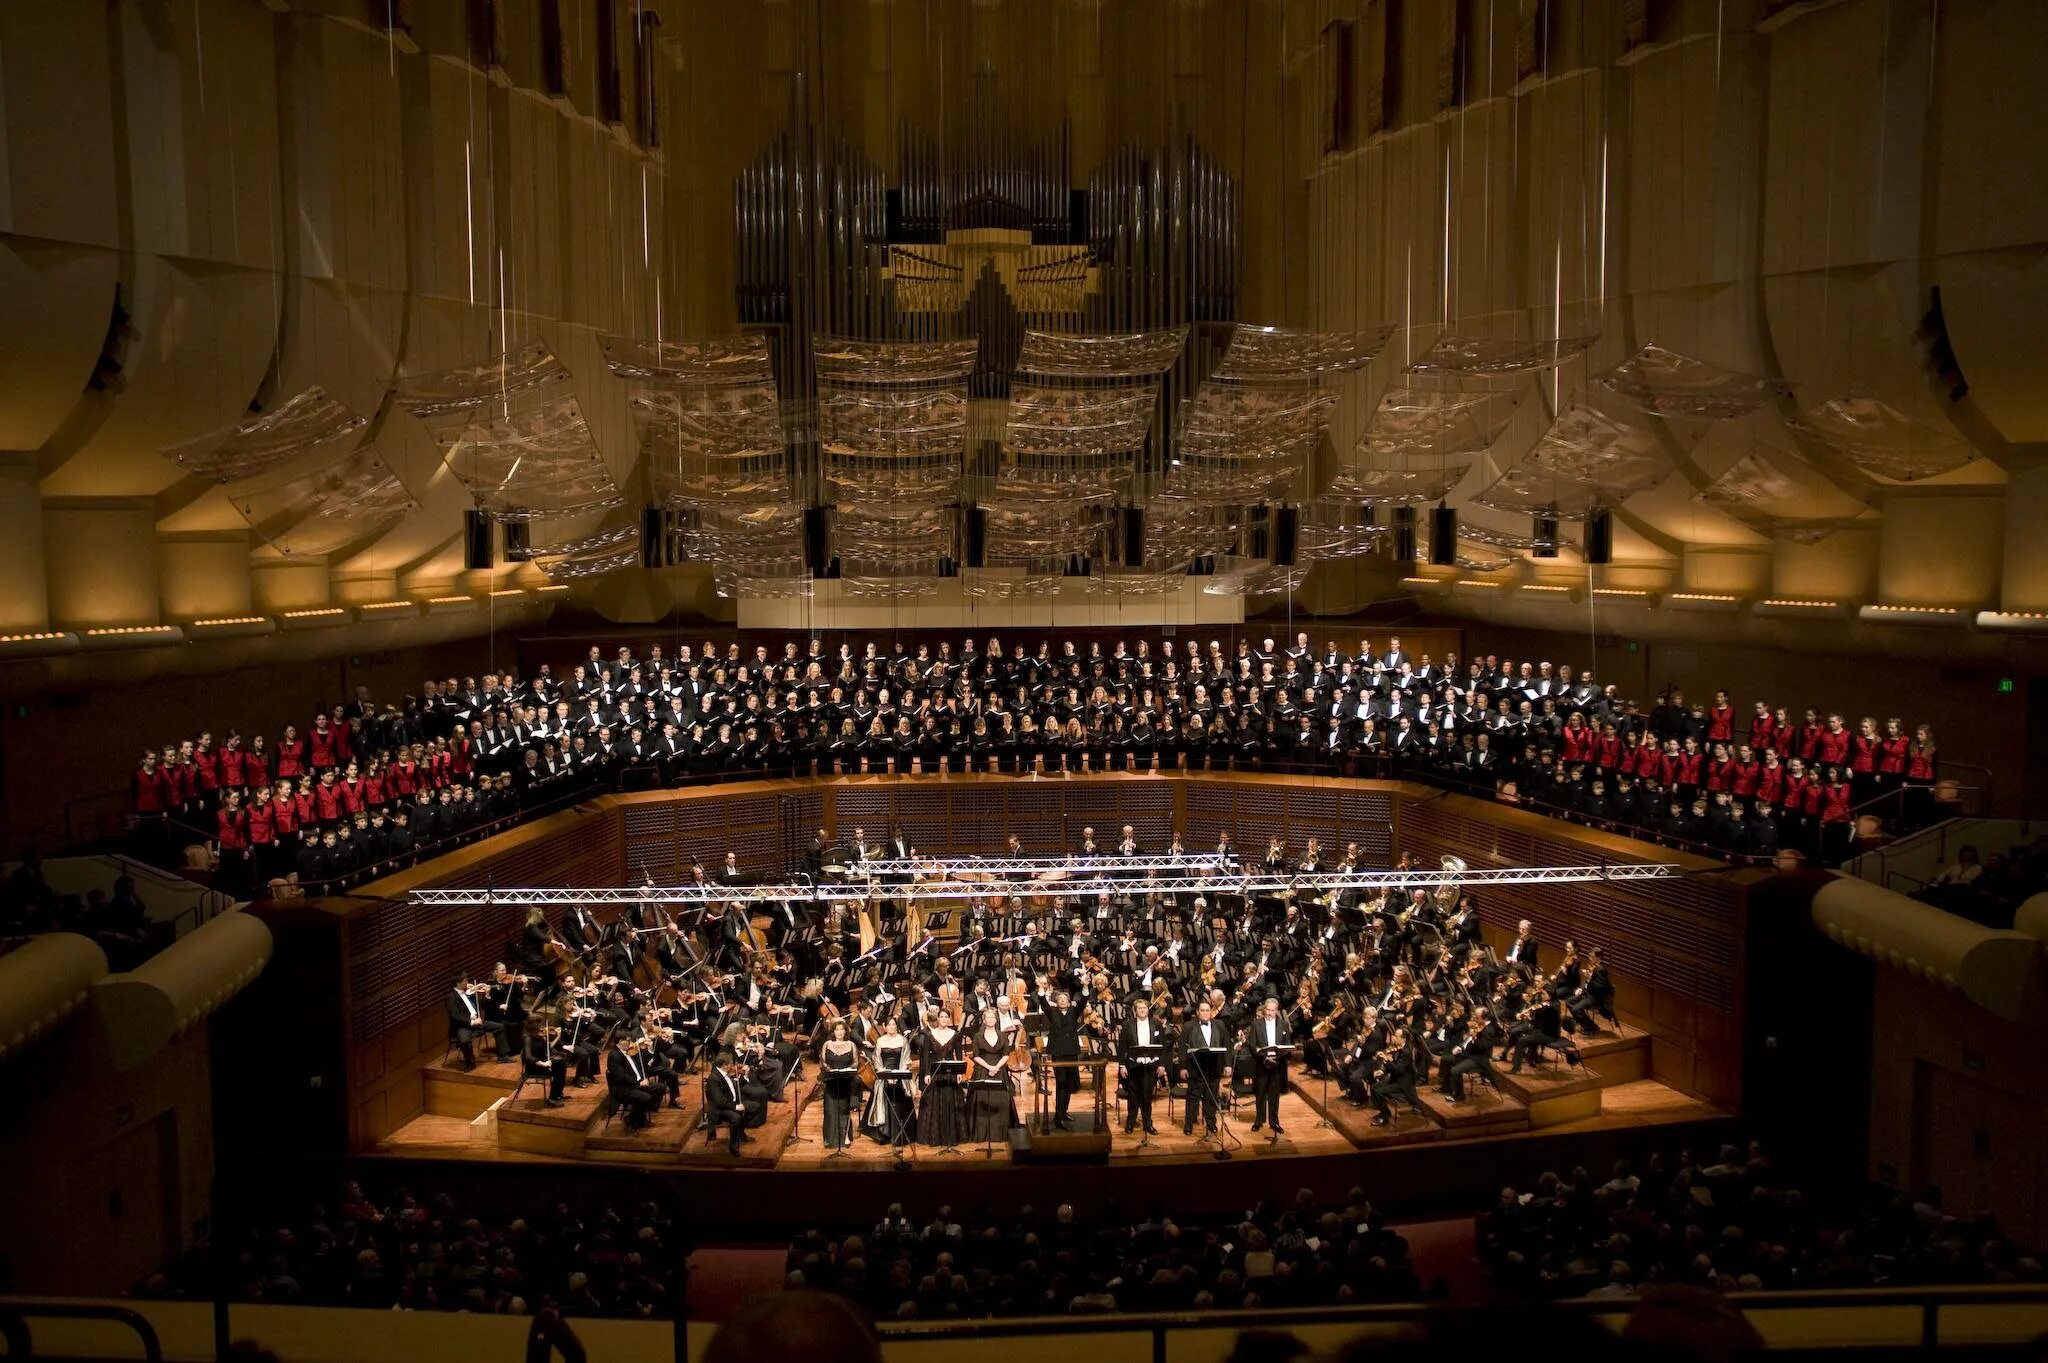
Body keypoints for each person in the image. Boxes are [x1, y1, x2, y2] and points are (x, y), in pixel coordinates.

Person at [917, 1008, 968, 1147]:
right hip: (935, 1073)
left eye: (946, 1017)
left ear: (949, 1019)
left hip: (951, 1073)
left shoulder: (955, 1034)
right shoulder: (929, 1034)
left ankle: (951, 1136)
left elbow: (959, 1054)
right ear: (938, 1019)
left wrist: (959, 1073)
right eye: (942, 1017)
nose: (944, 1019)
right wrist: (927, 1073)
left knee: (951, 1101)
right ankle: (936, 1137)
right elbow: (926, 1055)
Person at [1180, 998, 1230, 1136]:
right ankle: (1189, 1123)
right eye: (1202, 1010)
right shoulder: (1188, 1026)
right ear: (1197, 1012)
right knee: (1193, 1097)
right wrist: (1182, 1067)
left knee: (1211, 1097)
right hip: (1195, 1067)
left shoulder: (1220, 1024)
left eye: (1207, 1010)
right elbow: (1182, 1048)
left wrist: (1228, 1064)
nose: (1205, 1013)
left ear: (1211, 1012)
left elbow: (1227, 1045)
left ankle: (1211, 1123)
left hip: (1214, 1068)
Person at [1117, 995, 1165, 1135]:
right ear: (1135, 1011)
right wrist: (1122, 1065)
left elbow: (1163, 1046)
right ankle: (1130, 1123)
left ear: (1148, 1009)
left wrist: (1161, 1065)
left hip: (1150, 1066)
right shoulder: (1127, 1025)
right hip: (1133, 1066)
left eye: (1145, 1007)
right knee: (1133, 1097)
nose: (1143, 1010)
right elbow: (1122, 1047)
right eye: (1140, 1008)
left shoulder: (1156, 1024)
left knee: (1147, 1097)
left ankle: (1147, 1124)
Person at [1245, 995, 1292, 1135]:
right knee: (1260, 1094)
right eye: (1268, 1010)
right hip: (1261, 1064)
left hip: (1277, 1065)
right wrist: (1264, 1057)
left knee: (1274, 1095)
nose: (1270, 1013)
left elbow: (1287, 1046)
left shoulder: (1283, 1025)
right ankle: (1259, 1120)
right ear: (1264, 1009)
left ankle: (1274, 1121)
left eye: (1273, 1010)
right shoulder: (1256, 1024)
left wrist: (1276, 1058)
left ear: (1277, 1010)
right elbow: (1252, 1044)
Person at [968, 1006, 1015, 1142]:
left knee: (1001, 1100)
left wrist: (996, 1067)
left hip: (999, 1069)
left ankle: (1000, 1133)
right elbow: (976, 1056)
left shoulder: (1003, 1035)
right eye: (988, 1017)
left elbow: (1006, 1054)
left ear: (996, 1019)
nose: (990, 1019)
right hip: (983, 1069)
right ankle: (981, 1134)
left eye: (993, 1017)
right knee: (982, 1100)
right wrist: (989, 1067)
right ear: (984, 1020)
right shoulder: (977, 1036)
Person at [706, 1050, 766, 1153]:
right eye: (731, 1064)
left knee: (755, 1106)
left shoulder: (725, 1073)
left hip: (732, 1103)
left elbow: (735, 1086)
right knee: (736, 1118)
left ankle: (740, 1132)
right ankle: (733, 1145)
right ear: (725, 1065)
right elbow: (719, 1101)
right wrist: (736, 1107)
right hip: (720, 1109)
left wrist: (745, 1076)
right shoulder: (714, 1079)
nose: (733, 1066)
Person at [605, 1035, 663, 1130]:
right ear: (620, 1041)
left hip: (636, 1081)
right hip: (623, 1088)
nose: (630, 1042)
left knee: (660, 1087)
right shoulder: (614, 1056)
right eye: (628, 1040)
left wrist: (649, 1049)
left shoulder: (629, 1051)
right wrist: (639, 1084)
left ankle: (640, 1114)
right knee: (646, 1097)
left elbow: (645, 1062)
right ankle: (631, 1118)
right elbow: (621, 1076)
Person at [818, 1021, 859, 1150]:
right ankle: (830, 1139)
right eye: (837, 1030)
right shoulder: (827, 1044)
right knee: (830, 1110)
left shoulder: (851, 1045)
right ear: (833, 1032)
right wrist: (830, 1070)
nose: (840, 1032)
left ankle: (845, 1136)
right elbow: (823, 1062)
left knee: (843, 1109)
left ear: (845, 1031)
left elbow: (855, 1063)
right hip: (831, 1081)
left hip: (846, 1081)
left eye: (842, 1030)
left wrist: (846, 1070)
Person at [445, 975, 500, 1069]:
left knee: (500, 1027)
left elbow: (482, 1006)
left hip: (477, 1022)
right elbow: (455, 1016)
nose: (467, 983)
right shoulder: (450, 997)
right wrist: (471, 1022)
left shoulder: (470, 993)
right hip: (463, 1025)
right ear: (458, 983)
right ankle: (470, 1064)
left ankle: (503, 1056)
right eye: (465, 981)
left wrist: (487, 994)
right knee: (465, 1040)